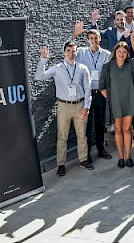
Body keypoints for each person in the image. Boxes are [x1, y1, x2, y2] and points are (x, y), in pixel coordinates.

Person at [35, 42, 93, 176]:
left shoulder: (82, 68)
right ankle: (61, 164)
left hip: (79, 105)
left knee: (81, 135)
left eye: (73, 51)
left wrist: (86, 107)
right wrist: (43, 60)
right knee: (62, 136)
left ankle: (83, 159)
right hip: (64, 106)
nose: (71, 54)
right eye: (68, 51)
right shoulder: (57, 68)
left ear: (76, 52)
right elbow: (39, 76)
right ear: (64, 52)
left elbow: (88, 88)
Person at [99, 36, 134, 168]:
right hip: (116, 102)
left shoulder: (131, 64)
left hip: (129, 100)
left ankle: (128, 157)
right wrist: (110, 99)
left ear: (127, 54)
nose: (121, 54)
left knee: (127, 129)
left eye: (124, 52)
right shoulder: (108, 66)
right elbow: (102, 86)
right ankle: (121, 157)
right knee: (118, 130)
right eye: (119, 51)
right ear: (115, 52)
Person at [71, 24, 112, 162]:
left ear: (100, 38)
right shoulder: (81, 53)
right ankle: (86, 154)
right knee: (86, 125)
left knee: (100, 123)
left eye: (96, 38)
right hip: (86, 94)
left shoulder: (107, 55)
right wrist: (74, 35)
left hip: (100, 93)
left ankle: (100, 149)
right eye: (91, 38)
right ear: (87, 40)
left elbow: (108, 74)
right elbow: (67, 49)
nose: (94, 40)